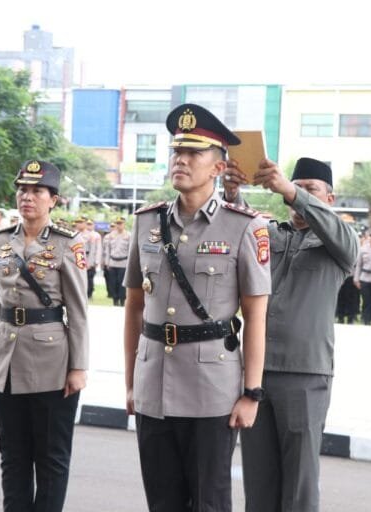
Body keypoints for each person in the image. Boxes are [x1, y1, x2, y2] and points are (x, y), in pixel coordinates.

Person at [123, 103, 271, 512]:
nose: (181, 160)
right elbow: (134, 307)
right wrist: (132, 381)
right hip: (154, 382)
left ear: (218, 168)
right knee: (162, 502)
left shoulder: (244, 227)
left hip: (213, 391)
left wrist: (252, 393)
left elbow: (256, 315)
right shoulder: (147, 222)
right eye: (177, 152)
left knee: (209, 502)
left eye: (194, 153)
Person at [223, 157, 358, 512]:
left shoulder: (339, 243)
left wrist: (290, 190)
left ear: (329, 199)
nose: (297, 195)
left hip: (304, 375)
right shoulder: (271, 234)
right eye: (296, 185)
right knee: (259, 476)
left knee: (299, 481)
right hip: (257, 373)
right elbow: (237, 226)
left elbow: (340, 235)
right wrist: (232, 193)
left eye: (310, 189)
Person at [0, 159, 89, 512]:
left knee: (51, 459)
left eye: (37, 191)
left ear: (53, 199)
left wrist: (78, 367)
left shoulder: (67, 244)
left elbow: (79, 312)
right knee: (12, 455)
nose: (28, 197)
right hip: (3, 360)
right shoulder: (1, 241)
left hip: (51, 362)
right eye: (23, 190)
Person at [104, 217, 131, 306]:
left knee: (122, 283)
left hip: (123, 263)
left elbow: (130, 251)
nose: (119, 225)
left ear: (124, 224)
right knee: (113, 282)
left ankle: (122, 300)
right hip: (112, 262)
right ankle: (115, 300)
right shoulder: (111, 235)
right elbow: (108, 250)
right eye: (117, 223)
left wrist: (129, 264)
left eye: (121, 223)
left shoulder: (129, 235)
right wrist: (107, 262)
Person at [83, 219, 102, 299]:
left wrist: (97, 260)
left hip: (91, 258)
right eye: (87, 224)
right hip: (82, 257)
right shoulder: (81, 234)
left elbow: (98, 249)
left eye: (90, 224)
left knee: (90, 278)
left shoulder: (96, 235)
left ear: (93, 225)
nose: (89, 225)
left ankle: (89, 293)